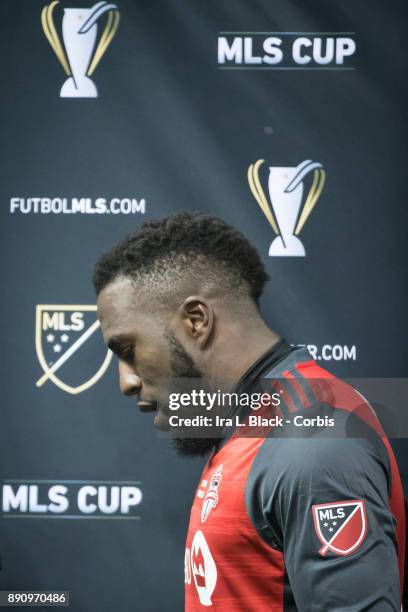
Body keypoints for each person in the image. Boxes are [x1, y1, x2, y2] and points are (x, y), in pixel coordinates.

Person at [93, 212, 405, 611]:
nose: (126, 382)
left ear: (196, 321)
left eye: (127, 351)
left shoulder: (312, 439)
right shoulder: (251, 419)